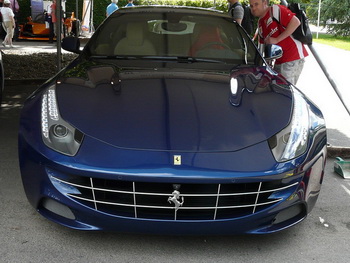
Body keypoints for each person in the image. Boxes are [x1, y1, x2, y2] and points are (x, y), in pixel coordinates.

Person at [249, 0, 308, 85]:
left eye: (256, 4)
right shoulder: (260, 23)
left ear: (265, 3)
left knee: (286, 90)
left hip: (293, 56)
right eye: (251, 6)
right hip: (279, 60)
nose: (253, 8)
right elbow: (263, 47)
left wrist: (277, 39)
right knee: (277, 89)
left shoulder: (275, 10)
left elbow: (296, 22)